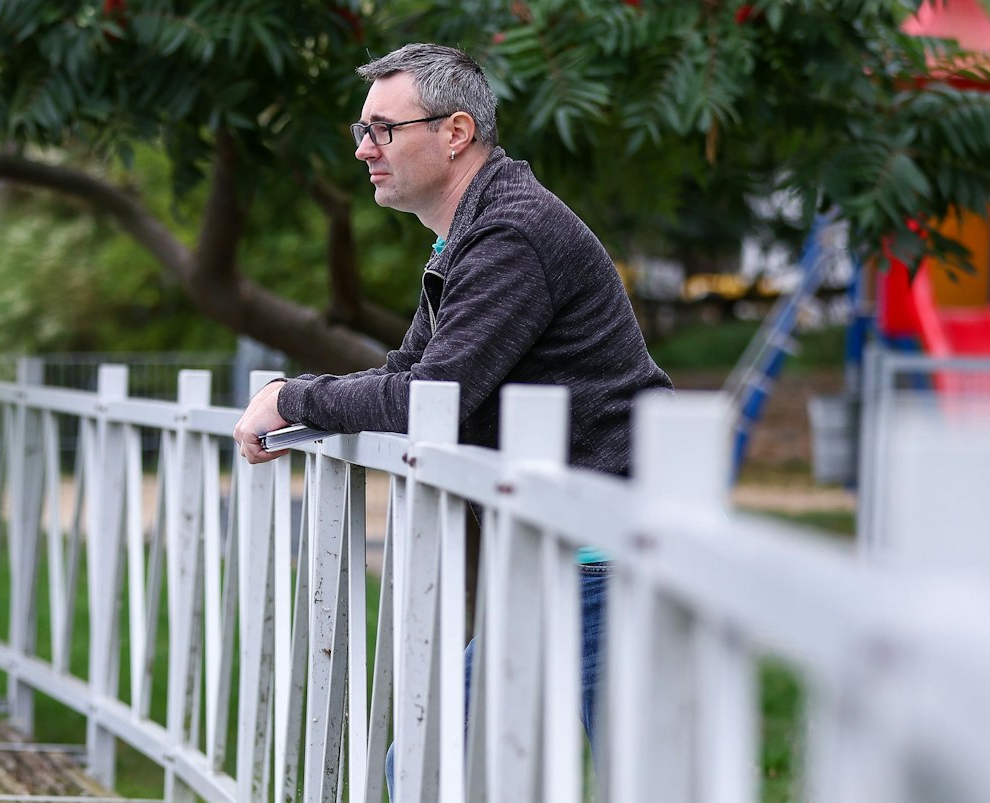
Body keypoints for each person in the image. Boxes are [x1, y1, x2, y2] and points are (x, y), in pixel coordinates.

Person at [232, 42, 672, 746]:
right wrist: (300, 402)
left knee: (441, 772)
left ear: (456, 132)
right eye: (362, 131)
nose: (363, 150)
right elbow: (406, 369)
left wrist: (294, 400)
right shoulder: (466, 237)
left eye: (383, 129)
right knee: (451, 773)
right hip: (576, 547)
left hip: (606, 554)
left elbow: (428, 399)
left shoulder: (509, 234)